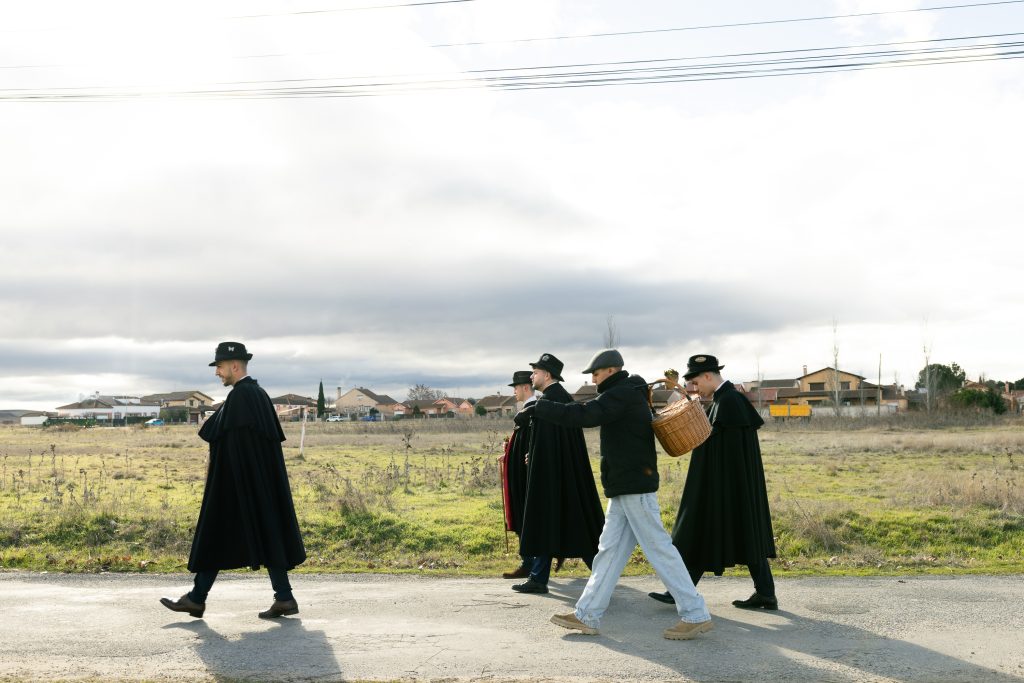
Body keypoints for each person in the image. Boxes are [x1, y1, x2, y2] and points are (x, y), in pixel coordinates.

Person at [529, 349, 713, 640]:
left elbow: (585, 414)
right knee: (609, 554)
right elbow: (590, 409)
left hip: (633, 486)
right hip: (626, 486)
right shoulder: (624, 393)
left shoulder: (622, 395)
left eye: (596, 373)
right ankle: (586, 615)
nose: (593, 377)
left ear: (612, 371)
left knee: (659, 550)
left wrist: (541, 408)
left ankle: (695, 614)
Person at [160, 341, 307, 620]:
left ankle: (196, 599)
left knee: (218, 533)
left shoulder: (242, 397)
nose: (217, 372)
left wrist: (231, 483)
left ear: (234, 366)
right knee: (266, 531)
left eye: (219, 367)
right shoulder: (257, 395)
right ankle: (283, 598)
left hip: (238, 486)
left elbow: (229, 443)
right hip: (254, 485)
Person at [649, 354, 778, 610]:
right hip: (731, 486)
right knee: (734, 533)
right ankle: (765, 593)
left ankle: (683, 592)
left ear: (708, 376)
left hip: (728, 486)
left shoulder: (730, 400)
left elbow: (726, 451)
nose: (696, 388)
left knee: (713, 531)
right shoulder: (724, 400)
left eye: (696, 382)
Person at [514, 353, 604, 594]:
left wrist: (538, 456)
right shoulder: (553, 398)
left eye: (535, 372)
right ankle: (539, 577)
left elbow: (555, 442)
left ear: (547, 375)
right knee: (550, 522)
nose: (532, 376)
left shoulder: (555, 400)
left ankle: (602, 574)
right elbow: (547, 440)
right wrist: (534, 453)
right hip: (553, 471)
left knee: (571, 523)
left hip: (555, 475)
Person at [500, 370, 537, 579]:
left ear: (525, 387)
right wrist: (507, 453)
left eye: (515, 387)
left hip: (525, 474)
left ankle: (529, 562)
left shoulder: (534, 409)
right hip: (520, 471)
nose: (514, 391)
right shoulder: (528, 408)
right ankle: (531, 562)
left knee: (525, 514)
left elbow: (532, 442)